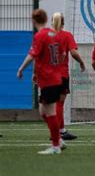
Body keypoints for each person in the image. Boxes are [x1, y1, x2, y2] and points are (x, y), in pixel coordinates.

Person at [17, 9, 66, 154]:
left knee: (49, 111)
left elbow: (32, 55)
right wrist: (54, 66)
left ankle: (56, 146)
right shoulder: (54, 34)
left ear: (33, 20)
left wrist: (20, 69)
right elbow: (63, 54)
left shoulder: (40, 35)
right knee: (43, 111)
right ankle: (58, 140)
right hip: (55, 78)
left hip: (49, 79)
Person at [51, 13, 86, 140]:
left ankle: (61, 130)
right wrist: (81, 62)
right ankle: (57, 132)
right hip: (61, 75)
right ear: (63, 22)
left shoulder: (46, 35)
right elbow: (73, 52)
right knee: (59, 104)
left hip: (48, 75)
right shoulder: (66, 35)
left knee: (53, 104)